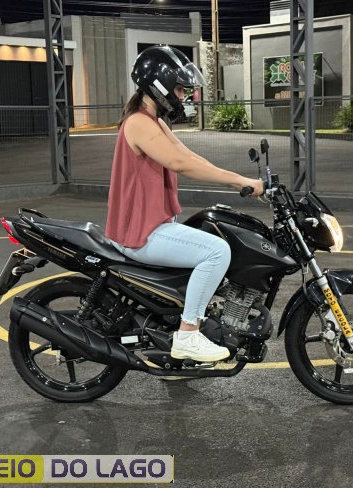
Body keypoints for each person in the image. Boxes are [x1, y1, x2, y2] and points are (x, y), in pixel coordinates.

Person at [105, 45, 264, 363]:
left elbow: (189, 156)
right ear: (159, 84)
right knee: (217, 251)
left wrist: (241, 179)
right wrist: (238, 182)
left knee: (214, 234)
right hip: (141, 232)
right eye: (179, 88)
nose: (183, 95)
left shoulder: (155, 122)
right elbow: (180, 164)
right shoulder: (138, 123)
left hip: (155, 225)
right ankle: (188, 334)